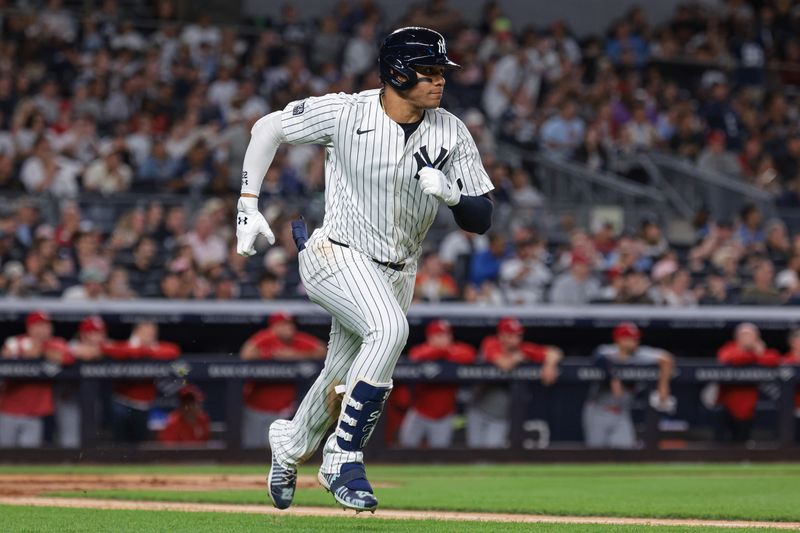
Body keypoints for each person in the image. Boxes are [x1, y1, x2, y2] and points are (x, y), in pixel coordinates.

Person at [235, 27, 493, 511]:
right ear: (397, 71)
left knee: (343, 371)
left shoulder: (451, 130)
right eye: (429, 71)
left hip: (399, 270)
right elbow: (266, 128)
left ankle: (290, 444)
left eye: (441, 71)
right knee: (389, 329)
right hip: (335, 253)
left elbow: (483, 217)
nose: (440, 81)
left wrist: (455, 196)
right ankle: (342, 457)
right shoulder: (346, 110)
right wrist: (247, 205)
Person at [466, 317, 561, 448]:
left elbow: (555, 352)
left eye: (517, 335)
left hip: (500, 416)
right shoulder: (490, 343)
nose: (515, 339)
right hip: (478, 410)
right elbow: (504, 364)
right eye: (510, 335)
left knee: (491, 457)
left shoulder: (522, 349)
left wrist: (549, 365)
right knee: (472, 454)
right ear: (501, 335)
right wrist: (518, 357)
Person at [240, 312, 325, 448]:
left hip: (284, 410)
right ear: (274, 327)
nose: (289, 328)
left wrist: (294, 356)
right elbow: (246, 354)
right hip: (256, 407)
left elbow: (322, 350)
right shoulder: (265, 338)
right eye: (284, 324)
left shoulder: (298, 340)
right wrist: (271, 354)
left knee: (278, 450)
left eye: (290, 324)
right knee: (252, 448)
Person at [583, 322, 674, 449]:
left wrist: (663, 385)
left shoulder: (641, 354)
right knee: (596, 453)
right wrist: (614, 377)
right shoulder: (608, 351)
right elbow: (598, 358)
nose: (633, 341)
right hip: (599, 410)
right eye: (628, 338)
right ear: (618, 339)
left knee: (625, 451)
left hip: (622, 412)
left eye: (635, 338)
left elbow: (667, 359)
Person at [398, 320, 476, 448]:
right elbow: (416, 356)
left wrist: (443, 352)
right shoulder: (421, 350)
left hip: (444, 416)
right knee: (406, 448)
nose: (444, 339)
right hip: (419, 412)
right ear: (430, 337)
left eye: (446, 335)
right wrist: (443, 352)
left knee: (439, 456)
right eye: (439, 336)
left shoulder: (457, 350)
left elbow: (469, 355)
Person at [0, 311, 71, 448]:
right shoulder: (15, 342)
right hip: (8, 410)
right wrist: (23, 354)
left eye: (46, 325)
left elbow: (67, 358)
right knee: (4, 457)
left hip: (35, 413)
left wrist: (41, 351)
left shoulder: (56, 343)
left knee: (28, 457)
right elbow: (6, 354)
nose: (44, 329)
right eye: (39, 325)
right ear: (30, 327)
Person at [103, 321, 181, 444]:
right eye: (146, 333)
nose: (150, 336)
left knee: (140, 446)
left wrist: (145, 352)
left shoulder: (155, 349)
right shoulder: (126, 346)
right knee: (119, 446)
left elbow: (173, 351)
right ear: (137, 332)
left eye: (152, 334)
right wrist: (140, 351)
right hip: (122, 402)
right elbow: (111, 349)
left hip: (144, 406)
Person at [716, 322, 782, 442]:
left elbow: (774, 359)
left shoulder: (763, 352)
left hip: (752, 406)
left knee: (746, 439)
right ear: (737, 337)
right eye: (744, 336)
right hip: (727, 404)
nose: (747, 339)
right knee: (726, 440)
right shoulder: (729, 349)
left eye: (750, 336)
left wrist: (759, 353)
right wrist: (754, 355)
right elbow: (729, 358)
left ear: (757, 338)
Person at [57, 315, 106, 448]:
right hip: (69, 398)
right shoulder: (71, 346)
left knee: (91, 439)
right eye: (93, 333)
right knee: (70, 441)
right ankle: (67, 465)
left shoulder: (105, 347)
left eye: (100, 333)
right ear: (83, 334)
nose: (98, 337)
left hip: (92, 400)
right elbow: (79, 352)